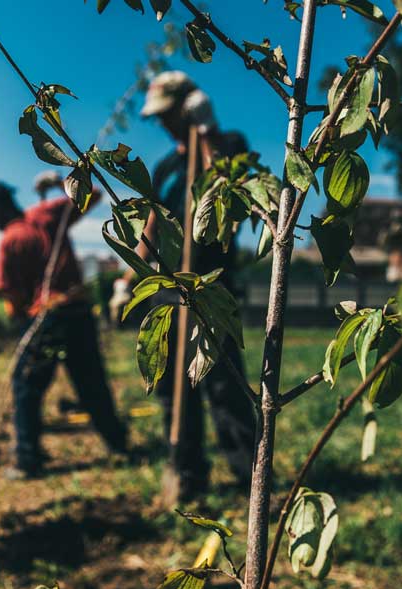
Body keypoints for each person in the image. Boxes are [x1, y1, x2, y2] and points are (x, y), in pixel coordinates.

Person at [116, 70, 257, 502]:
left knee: (221, 383)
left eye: (169, 113)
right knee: (171, 385)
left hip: (210, 284)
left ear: (187, 104)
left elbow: (227, 187)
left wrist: (207, 129)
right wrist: (128, 278)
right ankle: (188, 473)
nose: (163, 123)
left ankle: (250, 476)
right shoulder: (165, 167)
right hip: (168, 288)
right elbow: (152, 228)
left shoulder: (229, 145)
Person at [0, 177, 128, 479]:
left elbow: (13, 299)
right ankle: (119, 445)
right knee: (91, 383)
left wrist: (21, 322)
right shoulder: (47, 214)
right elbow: (93, 193)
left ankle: (26, 459)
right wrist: (62, 182)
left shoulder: (10, 240)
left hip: (44, 320)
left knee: (26, 388)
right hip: (78, 311)